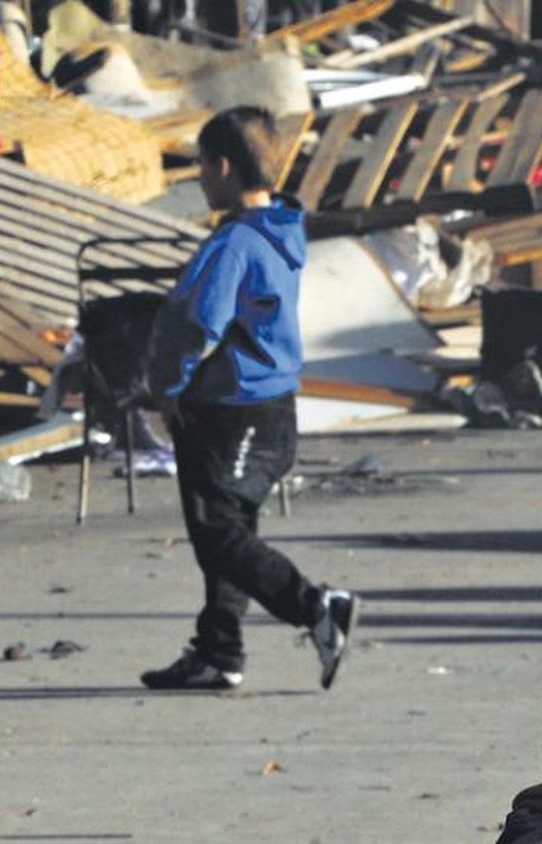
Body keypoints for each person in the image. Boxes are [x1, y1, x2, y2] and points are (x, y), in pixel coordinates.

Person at [140, 106, 357, 692]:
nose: (200, 179)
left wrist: (166, 387)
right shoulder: (283, 230)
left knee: (218, 533)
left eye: (203, 166)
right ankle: (218, 651)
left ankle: (316, 606)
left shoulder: (235, 242)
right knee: (232, 532)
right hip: (272, 403)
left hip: (230, 406)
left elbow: (196, 321)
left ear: (226, 166)